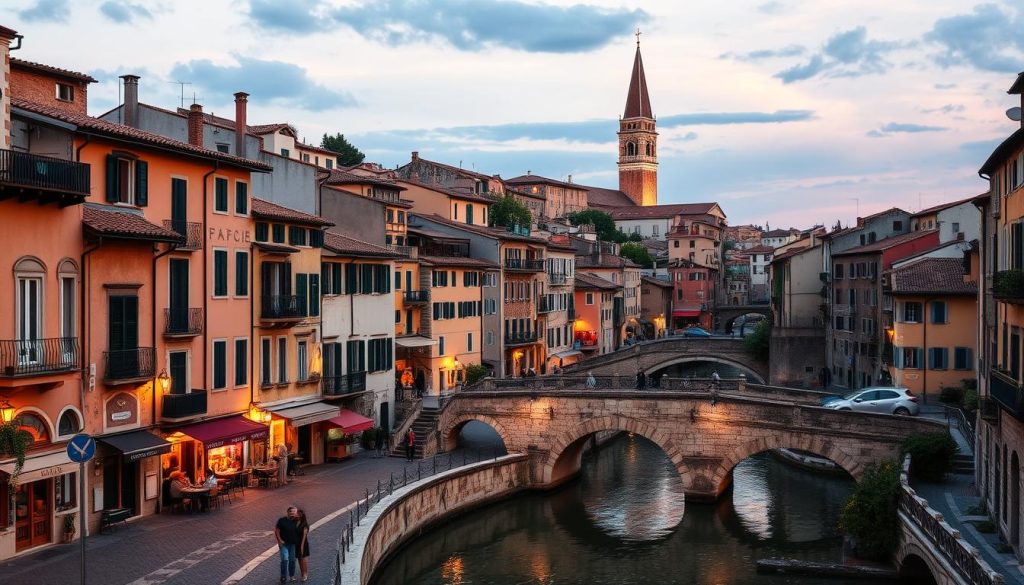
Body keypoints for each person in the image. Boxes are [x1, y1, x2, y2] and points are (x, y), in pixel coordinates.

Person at [274, 506, 300, 583]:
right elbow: (277, 531)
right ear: (288, 512)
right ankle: (283, 577)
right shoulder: (282, 520)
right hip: (284, 544)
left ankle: (292, 576)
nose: (292, 513)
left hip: (293, 544)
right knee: (285, 559)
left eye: (294, 512)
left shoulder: (297, 521)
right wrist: (279, 541)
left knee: (292, 560)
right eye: (291, 511)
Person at [296, 508, 311, 582]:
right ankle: (302, 573)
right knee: (299, 559)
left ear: (301, 515)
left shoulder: (305, 525)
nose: (297, 515)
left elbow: (304, 537)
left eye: (298, 514)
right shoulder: (296, 522)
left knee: (303, 558)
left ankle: (305, 574)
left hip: (303, 543)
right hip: (297, 543)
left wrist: (301, 547)